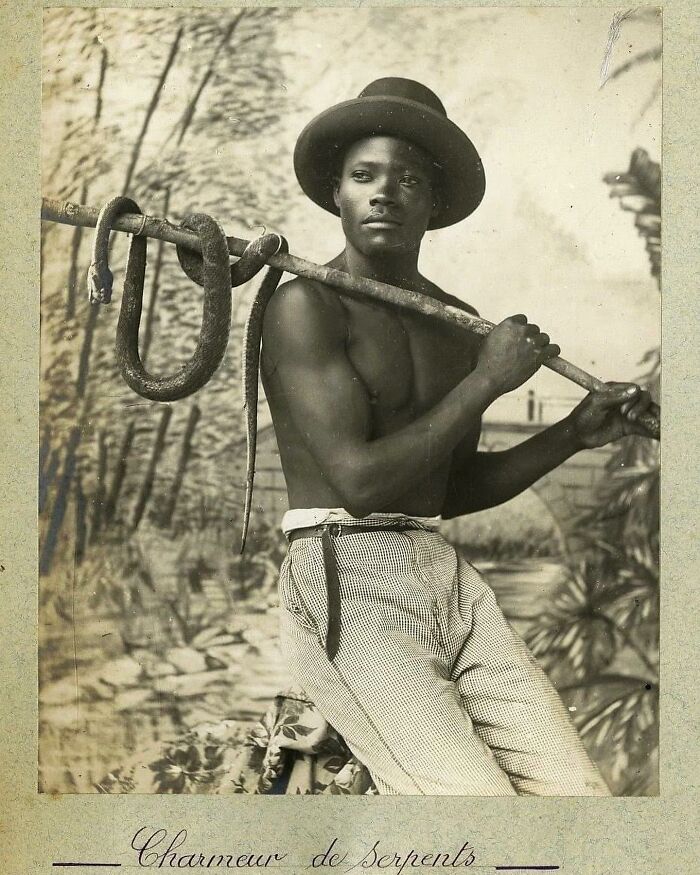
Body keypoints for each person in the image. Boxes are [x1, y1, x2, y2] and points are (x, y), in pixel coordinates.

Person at [259, 78, 654, 796]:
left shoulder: (459, 323)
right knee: (471, 808)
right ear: (338, 194)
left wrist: (571, 433)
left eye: (408, 178)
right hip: (342, 568)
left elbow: (453, 486)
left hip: (442, 569)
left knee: (576, 796)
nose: (384, 193)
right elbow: (361, 483)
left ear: (433, 204)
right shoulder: (305, 304)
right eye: (364, 175)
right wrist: (489, 382)